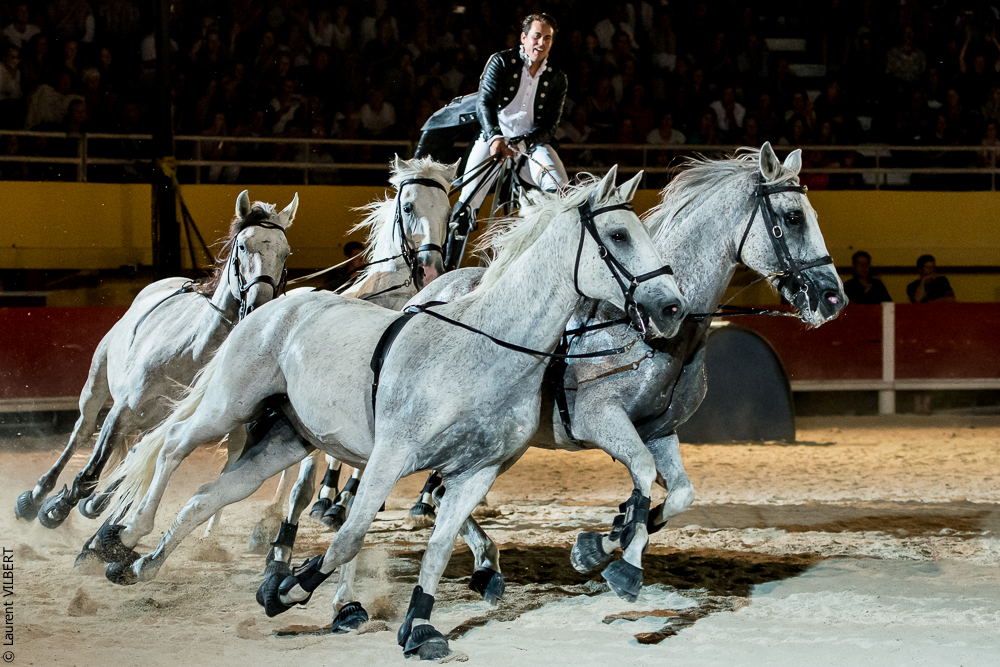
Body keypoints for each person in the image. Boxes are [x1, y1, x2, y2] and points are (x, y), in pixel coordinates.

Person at [415, 13, 568, 269]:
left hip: (530, 144)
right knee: (466, 204)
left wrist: (523, 144)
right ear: (524, 37)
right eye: (537, 36)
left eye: (547, 38)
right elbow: (484, 103)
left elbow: (550, 125)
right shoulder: (501, 62)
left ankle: (550, 262)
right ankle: (447, 269)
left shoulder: (557, 77)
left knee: (561, 191)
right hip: (493, 138)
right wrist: (495, 137)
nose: (541, 43)